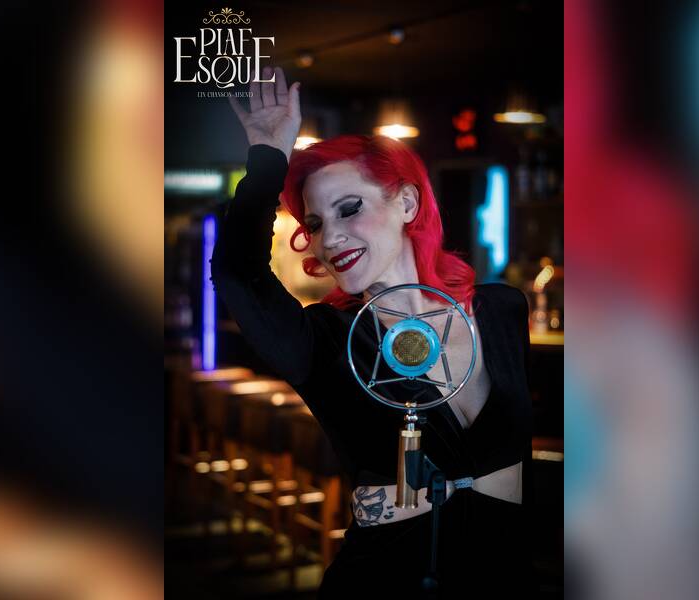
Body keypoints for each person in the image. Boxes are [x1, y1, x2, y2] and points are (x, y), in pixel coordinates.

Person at [212, 67, 536, 597]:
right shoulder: (323, 342)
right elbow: (236, 273)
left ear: (406, 204)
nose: (330, 238)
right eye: (315, 224)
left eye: (349, 209)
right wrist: (269, 159)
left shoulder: (502, 310)